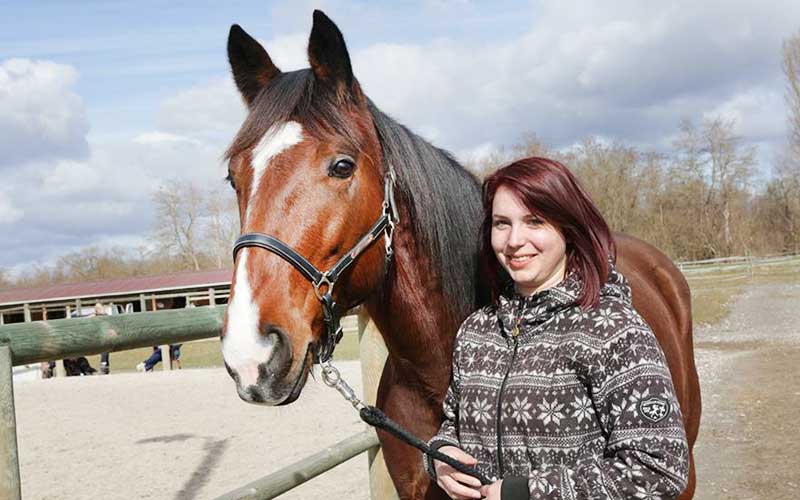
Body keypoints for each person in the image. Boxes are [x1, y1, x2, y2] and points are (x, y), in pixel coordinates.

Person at [424, 158, 689, 499]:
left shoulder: (614, 331)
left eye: (535, 221)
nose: (514, 240)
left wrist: (527, 493)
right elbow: (454, 424)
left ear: (568, 228)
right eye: (501, 223)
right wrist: (441, 456)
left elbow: (659, 470)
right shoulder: (476, 331)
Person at [94, 302, 111, 375]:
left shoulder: (106, 316)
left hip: (104, 338)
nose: (97, 310)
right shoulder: (94, 317)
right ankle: (104, 365)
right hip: (96, 338)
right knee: (104, 345)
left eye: (99, 308)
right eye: (96, 308)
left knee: (105, 344)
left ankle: (105, 365)